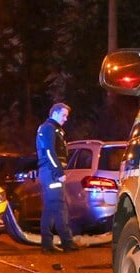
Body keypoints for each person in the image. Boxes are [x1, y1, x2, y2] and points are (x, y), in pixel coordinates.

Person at [35, 102, 79, 253]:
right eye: (64, 115)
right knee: (59, 206)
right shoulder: (49, 128)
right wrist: (59, 172)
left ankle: (47, 244)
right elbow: (49, 152)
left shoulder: (51, 129)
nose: (66, 119)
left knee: (50, 208)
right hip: (51, 172)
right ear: (54, 113)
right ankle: (67, 242)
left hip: (49, 171)